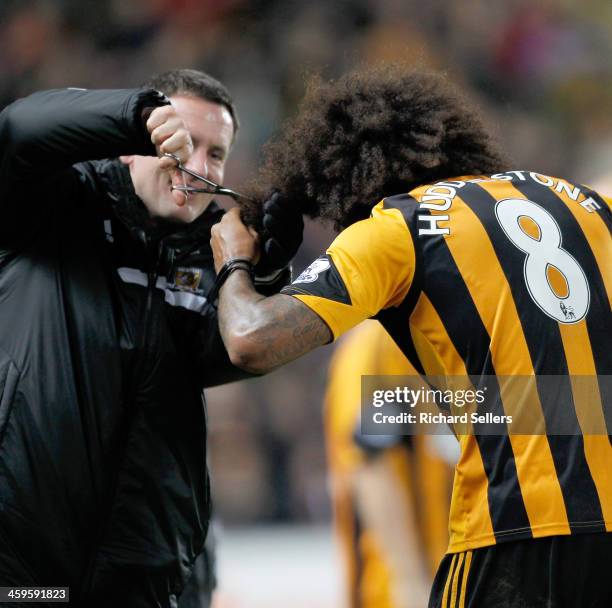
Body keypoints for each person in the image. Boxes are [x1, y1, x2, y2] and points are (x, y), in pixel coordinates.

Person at [210, 66, 612, 607]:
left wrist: (233, 262)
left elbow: (253, 342)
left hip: (511, 535)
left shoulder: (396, 235)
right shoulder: (588, 205)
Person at [0, 69, 300, 607]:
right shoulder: (52, 206)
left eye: (215, 154)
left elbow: (232, 355)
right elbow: (18, 129)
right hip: (26, 574)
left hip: (141, 581)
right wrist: (131, 114)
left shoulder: (206, 262)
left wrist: (266, 273)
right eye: (182, 141)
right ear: (132, 149)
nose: (198, 167)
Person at [325, 320, 454, 608]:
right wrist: (409, 579)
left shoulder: (462, 335)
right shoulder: (382, 342)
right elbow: (371, 462)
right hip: (398, 589)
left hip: (456, 581)